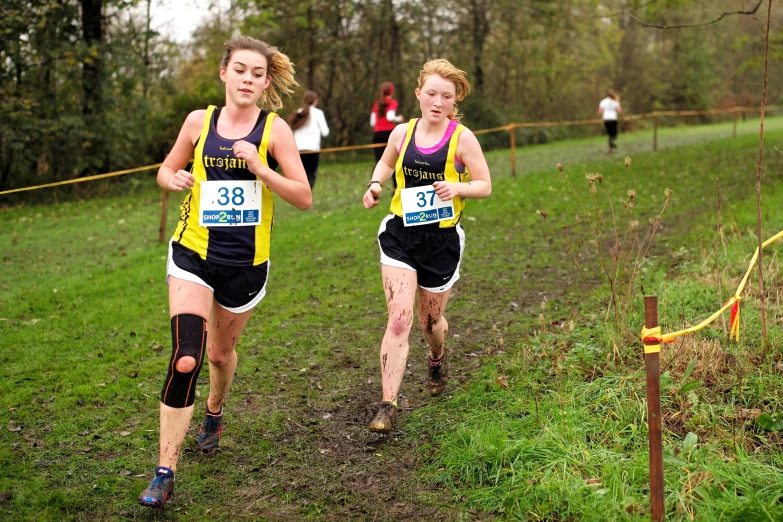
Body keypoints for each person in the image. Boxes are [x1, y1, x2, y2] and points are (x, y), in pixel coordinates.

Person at [137, 35, 311, 508]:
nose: (248, 79)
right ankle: (165, 470)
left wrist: (260, 167)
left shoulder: (275, 131)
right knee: (186, 358)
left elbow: (302, 195)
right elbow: (165, 170)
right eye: (240, 70)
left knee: (218, 355)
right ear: (224, 73)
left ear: (266, 81)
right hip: (192, 252)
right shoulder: (199, 121)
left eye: (257, 73)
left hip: (245, 264)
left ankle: (214, 411)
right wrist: (170, 178)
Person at [361, 59, 491, 433]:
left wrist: (459, 187)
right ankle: (387, 404)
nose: (437, 102)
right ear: (418, 93)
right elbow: (385, 164)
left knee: (429, 322)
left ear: (455, 100)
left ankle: (437, 356)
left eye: (446, 96)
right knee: (399, 319)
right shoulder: (401, 133)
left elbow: (484, 184)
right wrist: (374, 185)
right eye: (431, 94)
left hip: (441, 241)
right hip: (400, 235)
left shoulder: (462, 138)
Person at [289, 90, 329, 189]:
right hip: (312, 149)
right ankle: (306, 199)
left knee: (302, 176)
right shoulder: (318, 113)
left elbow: (290, 130)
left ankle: (301, 199)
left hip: (298, 150)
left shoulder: (299, 112)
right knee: (311, 174)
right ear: (315, 101)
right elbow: (325, 132)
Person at [370, 81, 404, 166]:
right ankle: (396, 179)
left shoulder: (376, 103)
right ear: (392, 91)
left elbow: (372, 123)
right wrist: (399, 118)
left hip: (377, 135)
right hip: (389, 134)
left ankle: (376, 179)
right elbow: (390, 116)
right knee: (394, 162)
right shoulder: (392, 102)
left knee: (379, 162)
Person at [598, 89, 622, 153]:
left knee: (609, 134)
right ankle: (612, 141)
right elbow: (619, 111)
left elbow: (600, 111)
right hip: (613, 118)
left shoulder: (603, 101)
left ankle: (611, 148)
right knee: (614, 133)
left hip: (606, 119)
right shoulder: (615, 101)